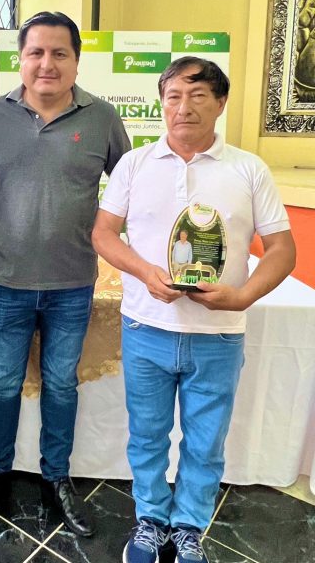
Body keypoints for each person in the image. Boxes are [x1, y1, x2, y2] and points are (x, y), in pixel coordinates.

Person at [92, 56, 295, 563]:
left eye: (198, 95)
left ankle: (188, 528)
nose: (184, 107)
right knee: (147, 437)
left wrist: (242, 296)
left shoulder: (248, 169)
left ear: (220, 103)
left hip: (219, 335)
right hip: (146, 326)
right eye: (173, 97)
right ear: (162, 104)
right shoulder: (134, 164)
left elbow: (282, 250)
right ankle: (149, 520)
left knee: (205, 442)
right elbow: (103, 233)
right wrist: (144, 272)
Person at [0, 11, 130, 537]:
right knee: (3, 382)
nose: (47, 63)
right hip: (5, 281)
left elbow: (131, 189)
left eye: (60, 53)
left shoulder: (102, 118)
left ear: (77, 61)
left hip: (73, 283)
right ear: (21, 59)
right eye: (36, 52)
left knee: (60, 383)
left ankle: (57, 476)